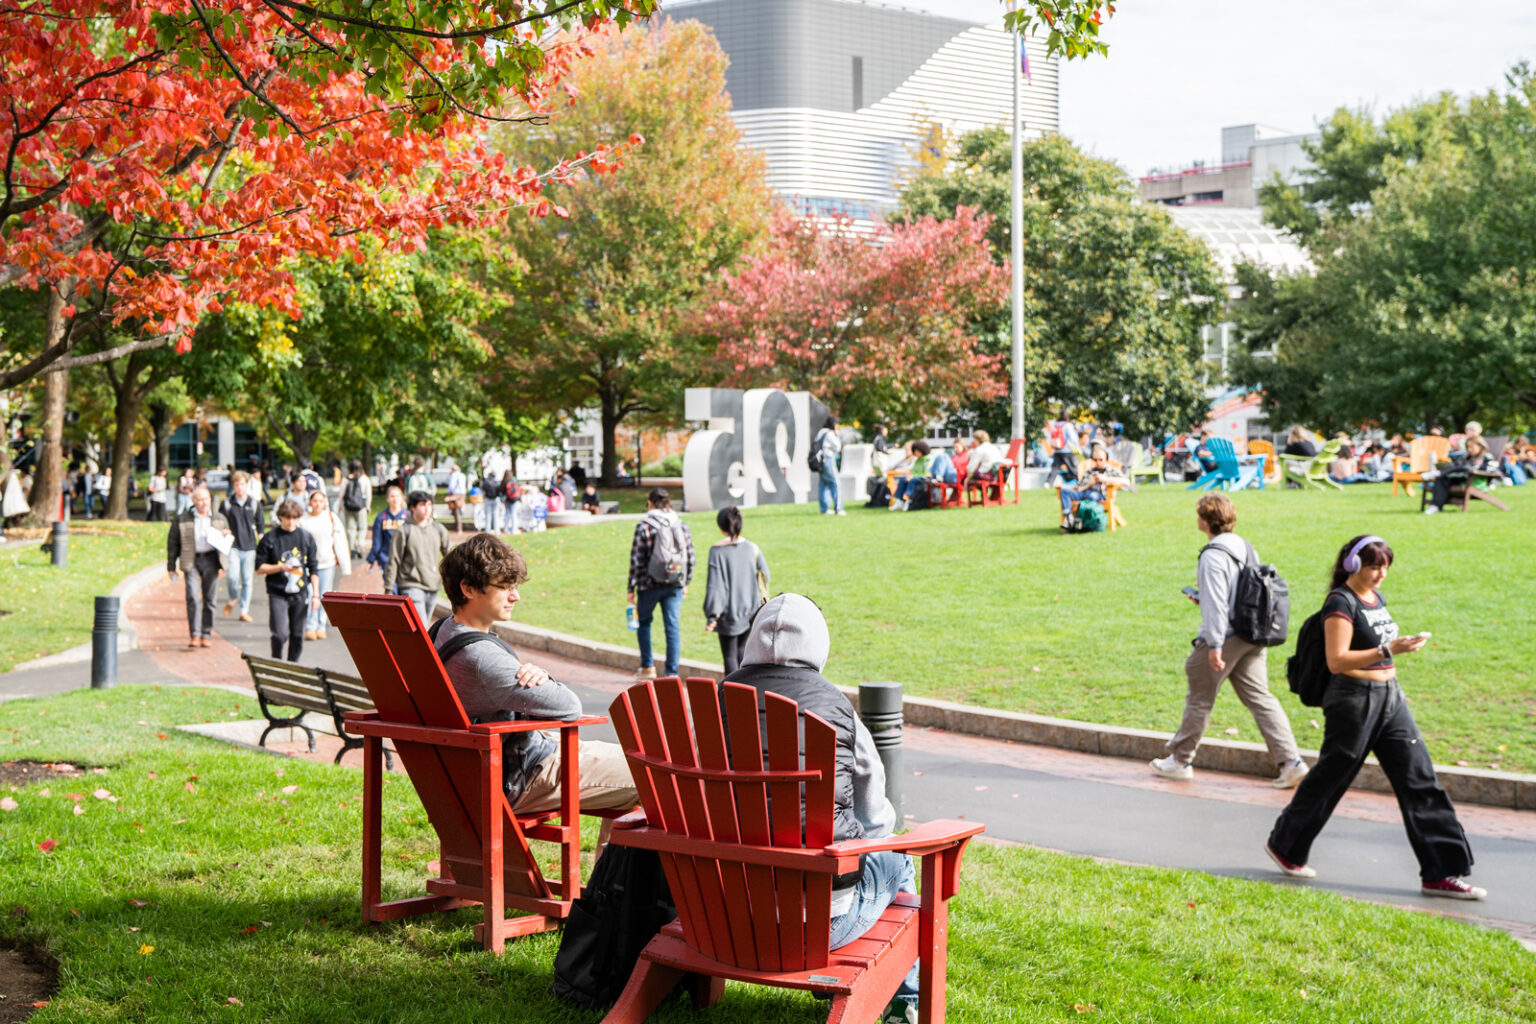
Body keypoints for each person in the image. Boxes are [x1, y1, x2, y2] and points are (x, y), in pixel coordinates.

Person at [720, 594, 917, 1022]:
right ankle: (906, 1004)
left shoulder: (716, 703)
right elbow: (876, 819)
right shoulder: (837, 710)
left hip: (721, 915)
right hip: (819, 927)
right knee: (899, 862)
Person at [1265, 535, 1485, 900]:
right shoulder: (1340, 602)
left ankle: (1442, 873)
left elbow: (1379, 648)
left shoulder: (1376, 597)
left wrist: (1398, 653)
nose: (1381, 573)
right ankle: (1285, 845)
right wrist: (1388, 648)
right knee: (1332, 777)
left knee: (1420, 778)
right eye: (1373, 566)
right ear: (1353, 565)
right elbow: (1337, 660)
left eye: (1385, 566)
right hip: (1354, 700)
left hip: (1390, 698)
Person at [431, 533, 636, 834]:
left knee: (639, 756)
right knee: (657, 776)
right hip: (523, 777)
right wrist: (544, 677)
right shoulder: (483, 657)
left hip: (491, 768)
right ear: (468, 588)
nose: (516, 596)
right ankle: (613, 883)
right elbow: (569, 706)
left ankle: (613, 880)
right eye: (505, 587)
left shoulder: (441, 632)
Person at [1150, 494, 1308, 787]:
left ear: (1206, 521)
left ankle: (1180, 761)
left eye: (1198, 514)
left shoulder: (1211, 556)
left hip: (1227, 636)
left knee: (1199, 695)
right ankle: (1291, 762)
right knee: (1261, 698)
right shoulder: (1244, 546)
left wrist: (1213, 645)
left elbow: (1217, 606)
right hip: (1252, 634)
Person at [627, 487, 694, 680]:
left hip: (648, 585)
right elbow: (690, 557)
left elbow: (636, 560)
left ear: (650, 502)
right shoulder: (681, 524)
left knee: (644, 623)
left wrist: (631, 588)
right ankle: (671, 672)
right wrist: (685, 581)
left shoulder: (644, 526)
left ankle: (648, 667)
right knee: (672, 626)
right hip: (675, 584)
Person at [702, 506, 769, 675]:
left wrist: (712, 614)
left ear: (721, 528)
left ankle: (732, 698)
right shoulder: (752, 547)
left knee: (730, 656)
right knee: (741, 652)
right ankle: (745, 694)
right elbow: (764, 575)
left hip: (728, 613)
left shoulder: (716, 551)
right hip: (750, 611)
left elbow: (715, 585)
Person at [254, 498, 320, 662]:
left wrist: (316, 595)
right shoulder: (271, 539)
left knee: (297, 635)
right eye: (287, 518)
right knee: (279, 634)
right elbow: (259, 568)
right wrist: (281, 568)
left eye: (295, 518)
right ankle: (277, 661)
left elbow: (313, 568)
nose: (291, 522)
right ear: (281, 517)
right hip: (278, 592)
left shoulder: (306, 538)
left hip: (300, 593)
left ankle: (293, 666)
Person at [166, 485, 231, 648]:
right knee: (193, 597)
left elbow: (227, 538)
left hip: (211, 559)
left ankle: (206, 633)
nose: (203, 503)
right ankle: (194, 634)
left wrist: (226, 536)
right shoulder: (182, 518)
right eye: (199, 500)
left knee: (210, 599)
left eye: (206, 499)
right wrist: (171, 565)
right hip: (191, 560)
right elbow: (172, 543)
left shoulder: (219, 518)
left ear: (210, 500)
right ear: (193, 501)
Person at [383, 490, 451, 622]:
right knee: (422, 626)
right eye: (423, 505)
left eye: (429, 505)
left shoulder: (439, 529)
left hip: (433, 585)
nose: (427, 509)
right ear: (413, 507)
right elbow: (394, 560)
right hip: (411, 585)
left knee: (422, 630)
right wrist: (389, 589)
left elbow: (451, 556)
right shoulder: (403, 530)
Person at [299, 489, 350, 640]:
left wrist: (345, 565)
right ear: (310, 502)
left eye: (321, 501)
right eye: (315, 501)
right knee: (309, 595)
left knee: (323, 595)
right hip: (308, 565)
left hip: (327, 563)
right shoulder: (303, 520)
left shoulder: (331, 518)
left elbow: (340, 542)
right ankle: (310, 625)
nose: (317, 504)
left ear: (325, 502)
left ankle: (321, 625)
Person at [218, 471, 264, 623]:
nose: (240, 487)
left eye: (242, 484)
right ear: (233, 486)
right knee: (232, 576)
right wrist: (223, 529)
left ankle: (244, 611)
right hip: (233, 546)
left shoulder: (254, 503)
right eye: (237, 485)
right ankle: (233, 596)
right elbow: (219, 521)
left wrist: (262, 538)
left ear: (246, 485)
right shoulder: (227, 504)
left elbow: (261, 525)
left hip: (250, 546)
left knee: (247, 580)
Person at [1055, 446, 1128, 522]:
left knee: (1092, 495)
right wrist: (1089, 483)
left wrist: (1106, 479)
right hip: (1084, 493)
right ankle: (1068, 517)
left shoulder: (1111, 471)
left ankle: (1082, 518)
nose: (1098, 462)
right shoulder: (1089, 471)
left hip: (1099, 496)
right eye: (1095, 460)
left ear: (1106, 460)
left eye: (1100, 460)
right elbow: (1080, 487)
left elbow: (1126, 481)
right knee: (1064, 491)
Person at [365, 484, 409, 585]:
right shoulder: (381, 517)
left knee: (405, 590)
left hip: (405, 560)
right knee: (392, 589)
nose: (395, 499)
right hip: (387, 560)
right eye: (392, 496)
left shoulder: (408, 516)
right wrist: (370, 560)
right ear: (387, 499)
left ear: (402, 497)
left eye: (397, 496)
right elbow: (377, 542)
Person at [340, 460, 372, 559]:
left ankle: (352, 548)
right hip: (361, 507)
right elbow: (368, 494)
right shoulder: (364, 478)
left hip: (348, 507)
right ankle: (360, 545)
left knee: (350, 529)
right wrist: (368, 506)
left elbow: (341, 494)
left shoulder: (346, 479)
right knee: (362, 527)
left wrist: (340, 506)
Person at [814, 414, 844, 515]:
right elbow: (838, 447)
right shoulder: (830, 434)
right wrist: (837, 434)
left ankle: (824, 509)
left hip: (820, 461)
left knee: (823, 484)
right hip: (828, 460)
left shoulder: (821, 432)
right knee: (836, 483)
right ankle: (838, 508)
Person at [444, 460, 467, 533]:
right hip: (462, 494)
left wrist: (449, 495)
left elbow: (451, 486)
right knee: (457, 511)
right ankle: (458, 527)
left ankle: (459, 528)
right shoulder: (463, 475)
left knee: (456, 511)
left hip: (455, 494)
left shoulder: (453, 475)